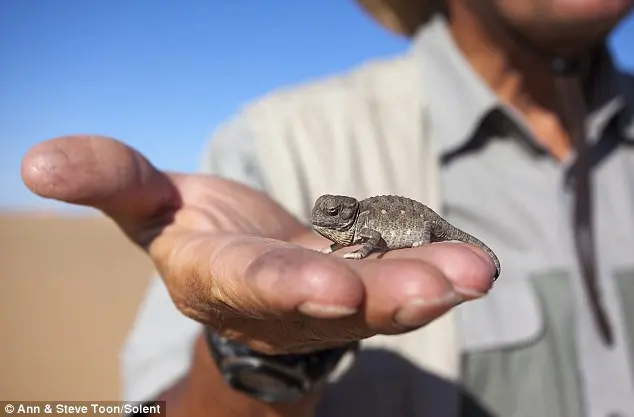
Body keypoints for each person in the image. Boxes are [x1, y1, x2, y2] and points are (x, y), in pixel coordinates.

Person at [21, 0, 634, 416]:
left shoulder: (367, 224)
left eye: (337, 219)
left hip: (416, 226)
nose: (332, 224)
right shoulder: (278, 140)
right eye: (332, 219)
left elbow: (380, 238)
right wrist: (258, 346)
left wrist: (365, 244)